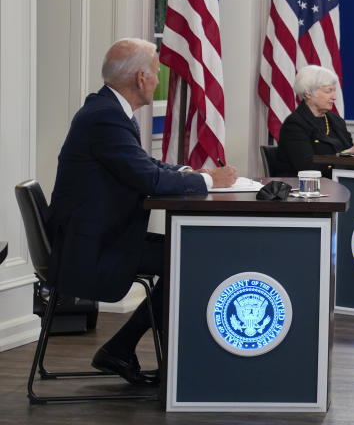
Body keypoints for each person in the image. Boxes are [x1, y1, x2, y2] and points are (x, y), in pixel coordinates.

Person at [46, 38, 237, 385]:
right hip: (89, 248)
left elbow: (144, 164)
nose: (158, 79)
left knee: (187, 253)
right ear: (140, 78)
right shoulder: (105, 116)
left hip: (101, 236)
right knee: (189, 258)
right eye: (155, 72)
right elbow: (148, 179)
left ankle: (122, 349)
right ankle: (128, 352)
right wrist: (210, 183)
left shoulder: (108, 110)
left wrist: (198, 175)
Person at [275, 65, 354, 176]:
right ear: (308, 93)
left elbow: (349, 152)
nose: (334, 97)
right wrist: (347, 153)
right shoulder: (295, 124)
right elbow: (307, 167)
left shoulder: (336, 120)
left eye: (334, 91)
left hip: (338, 181)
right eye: (328, 91)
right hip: (306, 188)